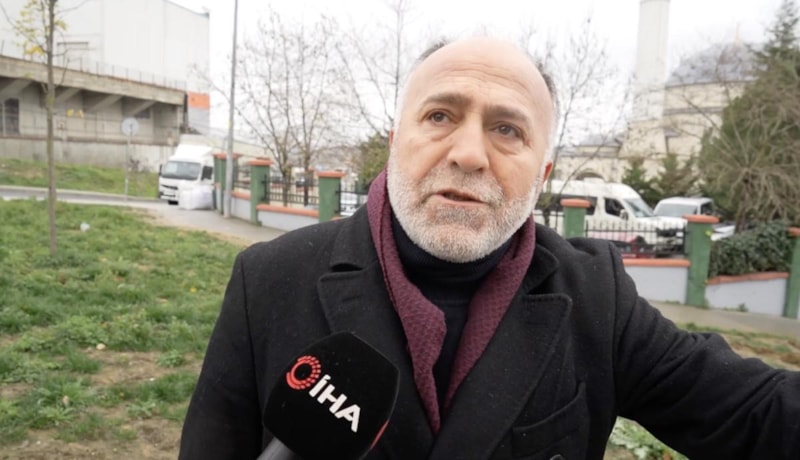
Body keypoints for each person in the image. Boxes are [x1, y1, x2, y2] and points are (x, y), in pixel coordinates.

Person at [179, 37, 800, 459]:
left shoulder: (597, 298)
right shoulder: (269, 279)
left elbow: (755, 413)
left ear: (542, 171)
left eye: (507, 129)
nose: (469, 153)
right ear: (396, 140)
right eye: (440, 116)